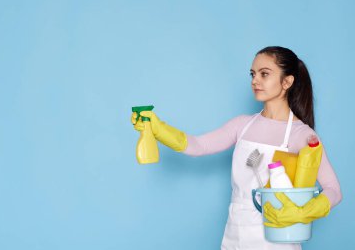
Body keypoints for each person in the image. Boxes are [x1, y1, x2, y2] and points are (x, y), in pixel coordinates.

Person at [131, 46, 342, 249]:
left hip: (277, 236)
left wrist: (305, 212)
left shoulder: (301, 135)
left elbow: (334, 189)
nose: (255, 81)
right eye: (253, 74)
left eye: (264, 74)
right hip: (236, 233)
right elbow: (198, 146)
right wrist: (158, 129)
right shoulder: (242, 124)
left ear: (287, 82)